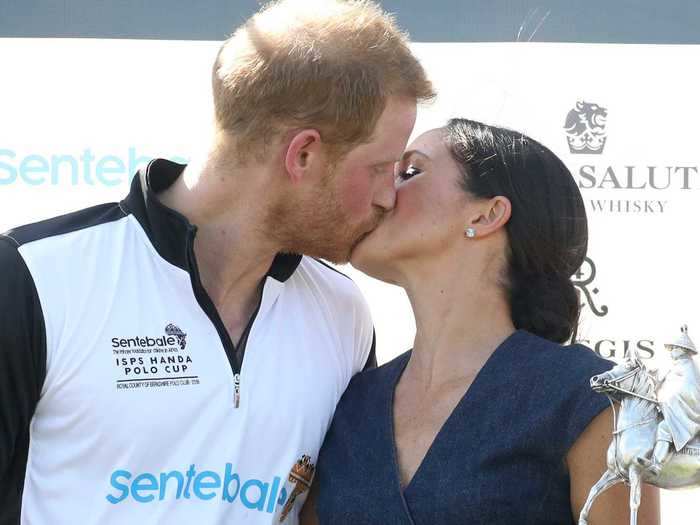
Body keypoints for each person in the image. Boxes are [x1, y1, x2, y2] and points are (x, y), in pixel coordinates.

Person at [0, 1, 434, 523]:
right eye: (382, 167)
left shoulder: (343, 311)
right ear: (303, 155)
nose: (390, 196)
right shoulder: (35, 278)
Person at [310, 119, 660, 524]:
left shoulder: (595, 400)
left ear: (487, 214)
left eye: (410, 172)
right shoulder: (350, 404)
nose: (383, 191)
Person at [640, 325, 700, 476]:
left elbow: (689, 393)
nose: (672, 350)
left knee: (664, 428)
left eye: (675, 347)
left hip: (685, 414)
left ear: (683, 350)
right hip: (672, 409)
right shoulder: (677, 367)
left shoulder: (688, 368)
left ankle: (657, 464)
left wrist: (665, 401)